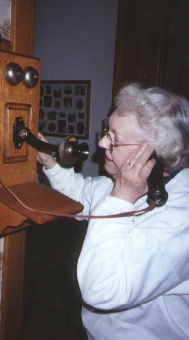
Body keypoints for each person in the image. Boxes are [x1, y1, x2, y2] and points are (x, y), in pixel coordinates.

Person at [37, 83, 189, 340]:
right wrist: (50, 163)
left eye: (114, 138)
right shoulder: (124, 182)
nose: (101, 141)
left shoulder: (179, 221)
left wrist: (123, 197)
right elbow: (82, 195)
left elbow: (102, 290)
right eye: (108, 130)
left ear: (153, 157)